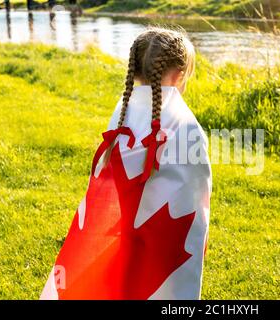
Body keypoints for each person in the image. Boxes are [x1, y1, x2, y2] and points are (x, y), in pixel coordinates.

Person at [41, 26, 212, 300]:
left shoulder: (123, 108)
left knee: (124, 280)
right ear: (180, 75)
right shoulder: (183, 122)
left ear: (135, 68)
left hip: (124, 226)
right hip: (164, 237)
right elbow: (194, 194)